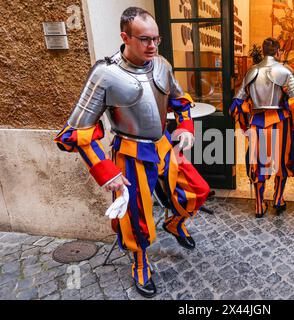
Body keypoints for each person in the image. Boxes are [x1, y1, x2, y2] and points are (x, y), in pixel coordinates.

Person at [54, 7, 210, 298]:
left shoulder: (161, 63)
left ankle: (174, 223)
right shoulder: (105, 73)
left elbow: (179, 100)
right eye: (144, 39)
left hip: (163, 144)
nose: (152, 45)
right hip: (129, 151)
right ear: (125, 36)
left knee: (197, 189)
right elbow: (78, 133)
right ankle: (140, 261)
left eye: (156, 39)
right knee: (135, 215)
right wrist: (106, 172)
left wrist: (186, 127)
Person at [230, 38, 294, 218]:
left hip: (257, 123)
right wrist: (291, 113)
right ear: (279, 52)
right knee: (283, 161)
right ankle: (278, 199)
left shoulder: (251, 71)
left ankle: (259, 205)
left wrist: (246, 119)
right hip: (281, 122)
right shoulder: (285, 71)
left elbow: (237, 103)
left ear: (263, 51)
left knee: (258, 164)